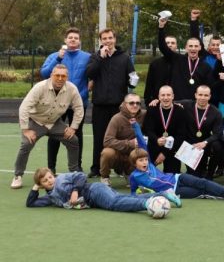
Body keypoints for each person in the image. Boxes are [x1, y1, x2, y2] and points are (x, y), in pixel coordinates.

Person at [11, 65, 84, 189]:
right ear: (51, 75)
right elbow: (24, 107)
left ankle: (74, 173)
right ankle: (18, 175)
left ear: (67, 77)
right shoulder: (40, 87)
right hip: (36, 121)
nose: (60, 78)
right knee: (26, 144)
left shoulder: (72, 89)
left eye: (63, 76)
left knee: (73, 140)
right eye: (57, 75)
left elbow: (79, 108)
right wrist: (26, 129)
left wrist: (73, 127)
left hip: (54, 122)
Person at [86, 28, 136, 178]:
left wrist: (133, 81)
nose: (108, 41)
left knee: (120, 137)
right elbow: (89, 73)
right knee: (99, 137)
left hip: (118, 106)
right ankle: (96, 168)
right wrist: (100, 58)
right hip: (100, 105)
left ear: (115, 39)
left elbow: (132, 78)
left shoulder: (124, 58)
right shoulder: (95, 57)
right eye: (104, 38)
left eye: (110, 38)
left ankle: (120, 168)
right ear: (101, 41)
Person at [40, 28, 90, 176]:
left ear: (79, 41)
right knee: (54, 134)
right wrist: (58, 58)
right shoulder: (55, 56)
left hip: (79, 103)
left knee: (77, 134)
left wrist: (82, 94)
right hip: (57, 103)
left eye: (76, 38)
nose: (73, 39)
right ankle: (51, 167)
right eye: (70, 37)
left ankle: (77, 166)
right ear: (65, 40)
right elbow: (44, 73)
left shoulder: (87, 57)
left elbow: (93, 77)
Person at [26, 168, 174, 214]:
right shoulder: (51, 197)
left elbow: (80, 176)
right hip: (94, 201)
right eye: (44, 181)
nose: (49, 181)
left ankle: (147, 204)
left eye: (50, 177)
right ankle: (162, 195)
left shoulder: (61, 179)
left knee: (114, 204)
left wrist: (75, 191)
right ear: (41, 185)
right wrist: (35, 188)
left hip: (94, 191)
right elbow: (31, 203)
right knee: (122, 198)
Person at [129, 145, 224, 201]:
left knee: (202, 182)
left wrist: (135, 126)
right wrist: (141, 195)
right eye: (141, 160)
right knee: (201, 192)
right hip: (174, 191)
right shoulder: (134, 177)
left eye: (145, 159)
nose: (145, 162)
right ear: (134, 163)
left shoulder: (150, 165)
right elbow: (133, 193)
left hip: (178, 177)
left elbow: (142, 143)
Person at [158, 17, 212, 101]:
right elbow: (163, 47)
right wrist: (161, 27)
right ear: (186, 47)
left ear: (200, 48)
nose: (193, 48)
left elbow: (208, 87)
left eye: (196, 46)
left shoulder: (205, 67)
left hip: (195, 104)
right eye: (190, 46)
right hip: (177, 103)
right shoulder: (177, 59)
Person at [142, 86, 191, 173]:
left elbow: (181, 135)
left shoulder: (180, 111)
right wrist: (157, 140)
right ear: (159, 96)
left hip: (172, 148)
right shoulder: (152, 109)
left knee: (172, 175)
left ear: (173, 96)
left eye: (168, 95)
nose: (165, 98)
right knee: (145, 173)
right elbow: (148, 130)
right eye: (163, 95)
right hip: (154, 144)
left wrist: (164, 153)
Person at [100, 93, 145, 186]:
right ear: (125, 104)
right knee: (107, 152)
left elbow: (160, 110)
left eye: (138, 103)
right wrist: (130, 143)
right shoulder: (116, 118)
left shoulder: (144, 115)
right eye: (131, 103)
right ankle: (105, 177)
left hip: (134, 153)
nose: (135, 105)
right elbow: (107, 141)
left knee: (145, 151)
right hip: (118, 154)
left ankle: (130, 174)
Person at [179, 85, 223, 179]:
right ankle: (197, 169)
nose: (203, 98)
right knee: (195, 176)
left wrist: (205, 142)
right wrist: (156, 101)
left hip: (205, 144)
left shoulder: (216, 112)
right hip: (189, 145)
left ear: (209, 96)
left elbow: (217, 133)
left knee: (217, 145)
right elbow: (168, 101)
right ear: (195, 95)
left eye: (206, 95)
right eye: (200, 95)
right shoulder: (186, 104)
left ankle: (210, 174)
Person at [144, 32, 177, 105]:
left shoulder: (182, 62)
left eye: (173, 43)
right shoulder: (155, 64)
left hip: (178, 102)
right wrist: (149, 101)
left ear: (176, 46)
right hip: (157, 102)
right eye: (167, 43)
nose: (170, 45)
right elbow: (149, 84)